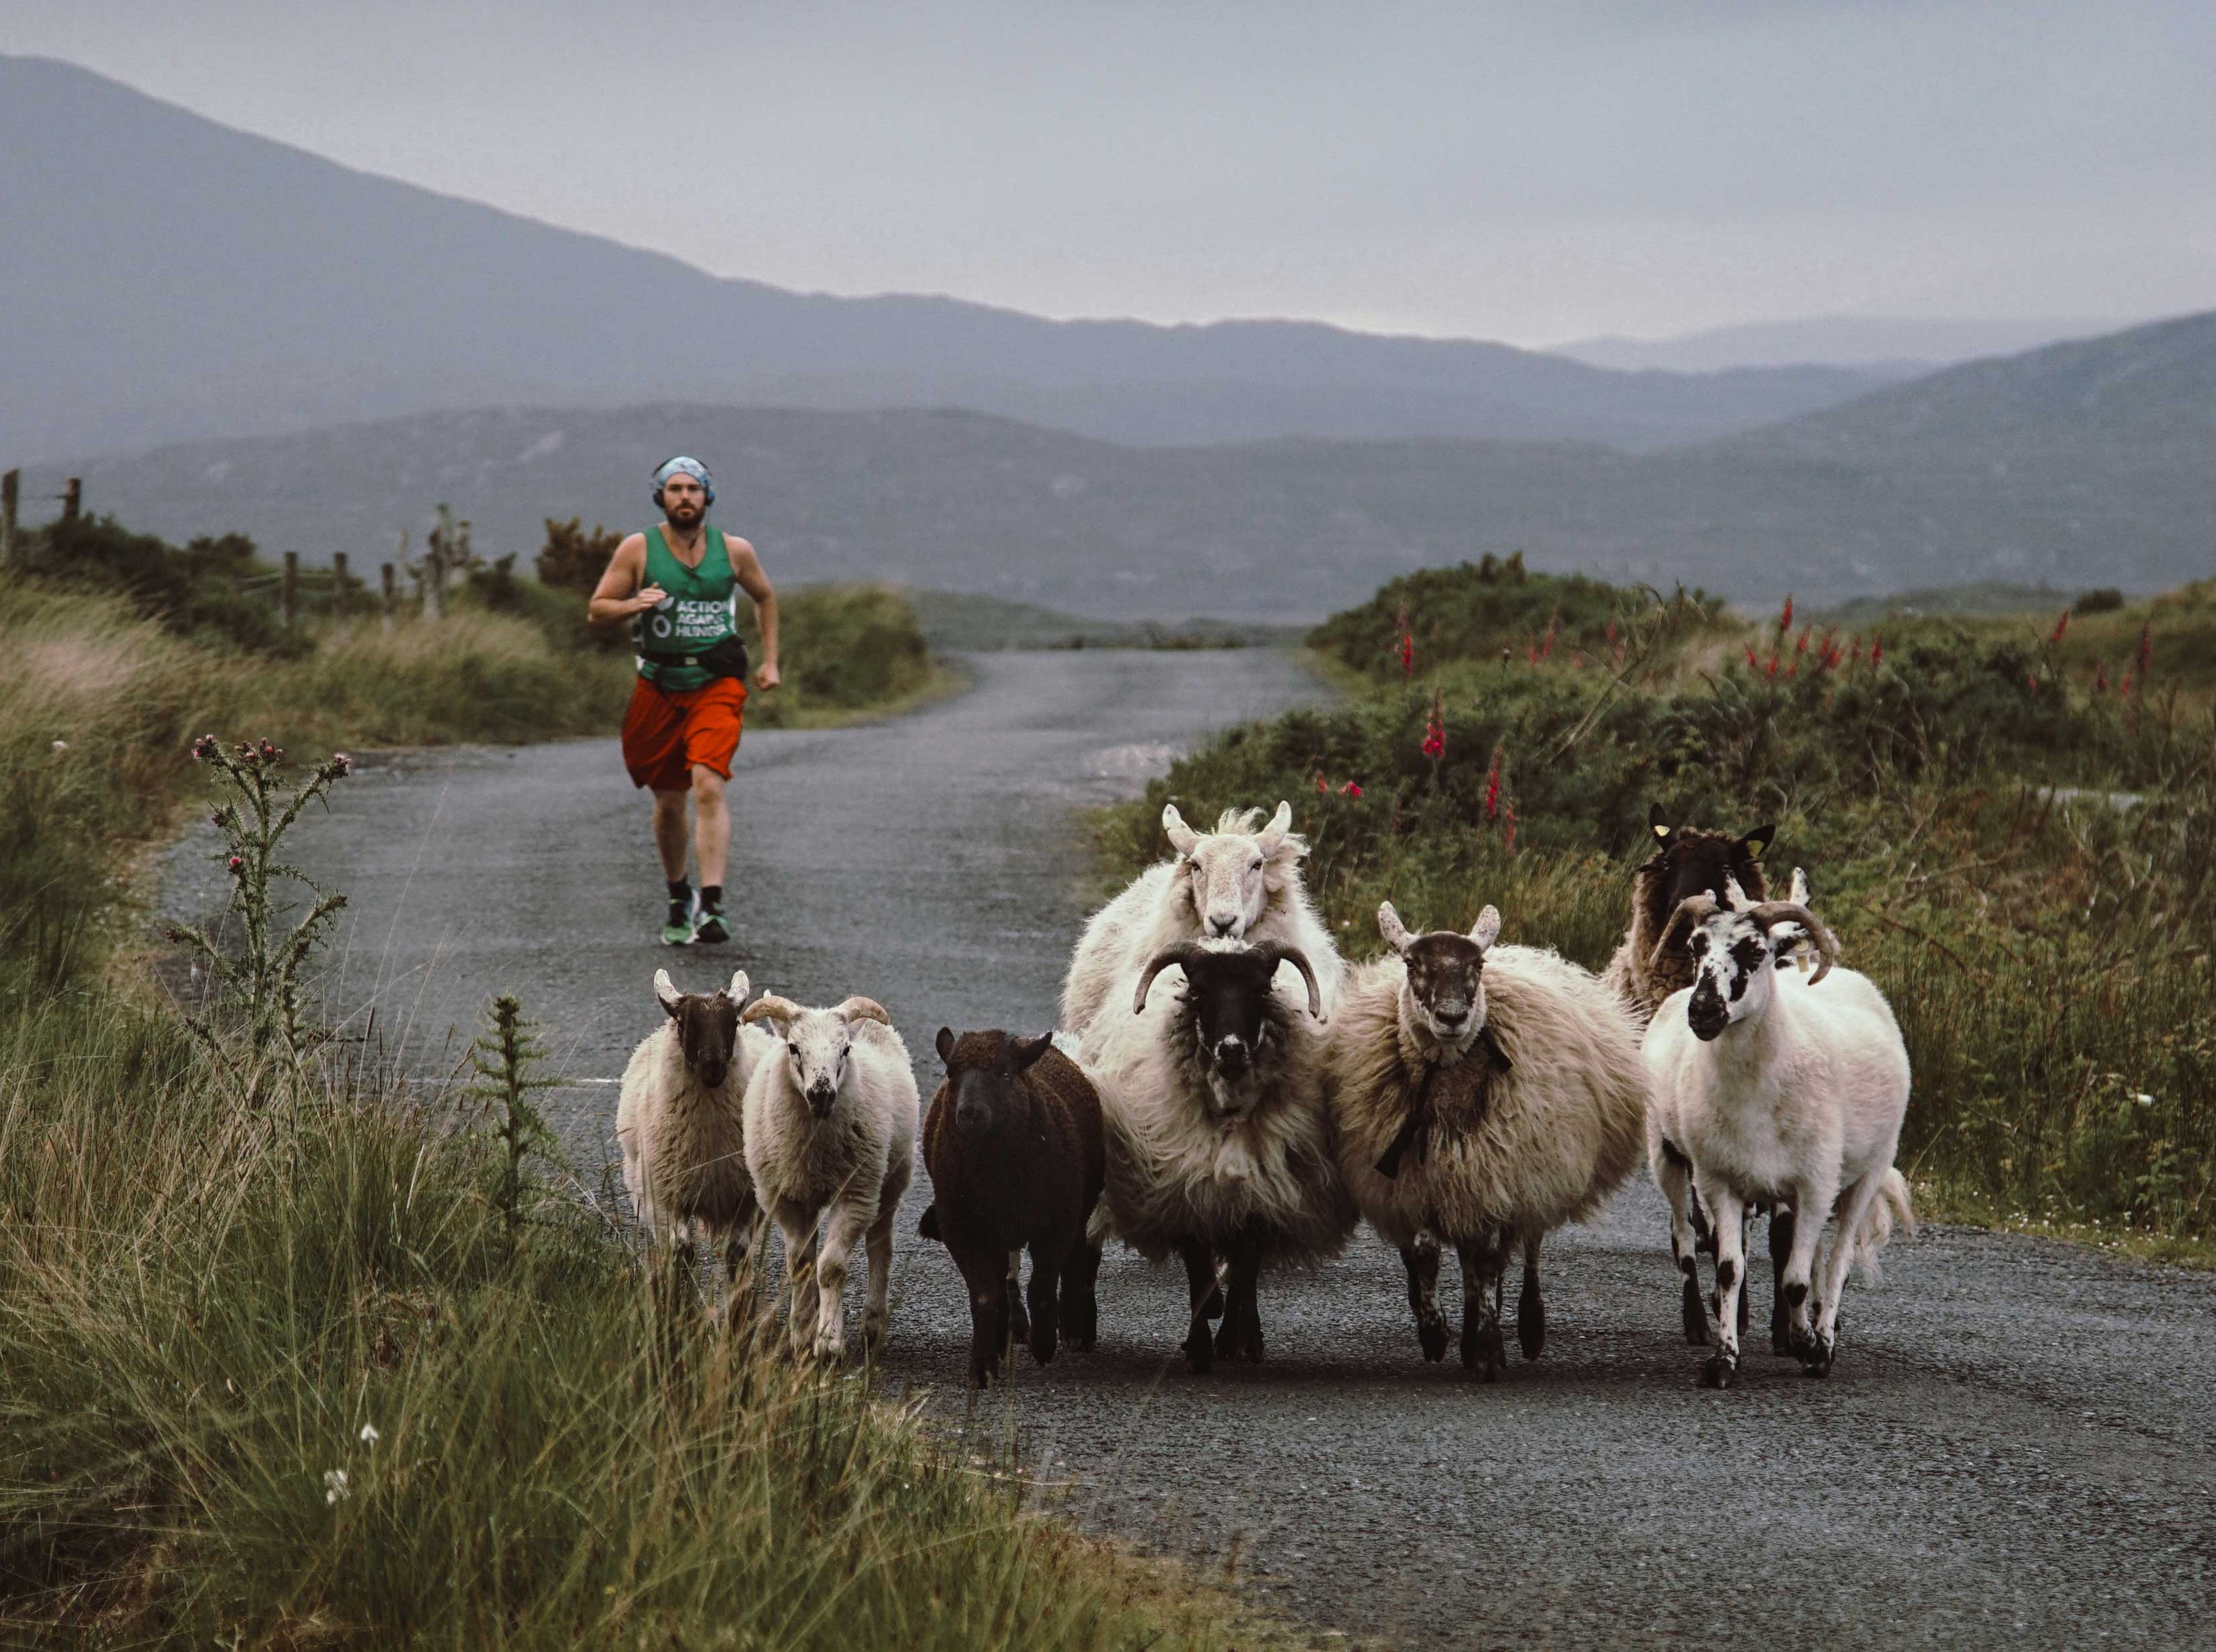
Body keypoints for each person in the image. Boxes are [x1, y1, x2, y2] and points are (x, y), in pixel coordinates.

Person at [588, 456, 780, 945]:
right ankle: (679, 895)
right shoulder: (639, 548)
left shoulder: (734, 550)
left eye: (693, 489)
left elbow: (765, 596)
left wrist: (770, 661)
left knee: (708, 785)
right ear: (661, 497)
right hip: (658, 684)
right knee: (669, 800)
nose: (684, 497)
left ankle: (712, 905)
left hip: (716, 683)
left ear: (707, 496)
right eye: (675, 488)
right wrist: (634, 604)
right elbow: (598, 608)